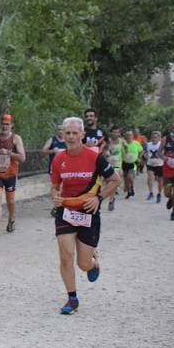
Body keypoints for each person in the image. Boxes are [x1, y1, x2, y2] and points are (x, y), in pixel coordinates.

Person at [50, 116, 120, 315]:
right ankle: (72, 299)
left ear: (82, 135)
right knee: (65, 256)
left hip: (89, 212)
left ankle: (92, 262)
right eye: (67, 133)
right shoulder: (59, 159)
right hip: (66, 211)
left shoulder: (94, 157)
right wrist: (55, 196)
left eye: (74, 133)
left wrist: (98, 198)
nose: (70, 136)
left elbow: (114, 180)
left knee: (82, 264)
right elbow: (54, 186)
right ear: (62, 135)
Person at [0, 113, 26, 235]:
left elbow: (22, 158)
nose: (4, 127)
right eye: (3, 124)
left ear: (11, 125)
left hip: (10, 174)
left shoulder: (16, 138)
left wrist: (8, 153)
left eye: (7, 124)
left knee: (10, 201)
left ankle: (11, 219)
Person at [103, 126, 124, 211]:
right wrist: (105, 153)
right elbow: (102, 150)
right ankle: (111, 198)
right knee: (107, 183)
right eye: (114, 132)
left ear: (119, 133)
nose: (116, 133)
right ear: (111, 132)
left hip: (117, 165)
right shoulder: (107, 141)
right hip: (107, 164)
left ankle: (111, 201)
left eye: (117, 132)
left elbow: (127, 149)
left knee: (113, 182)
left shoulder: (122, 141)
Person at [120, 129, 143, 199]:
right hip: (124, 163)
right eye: (127, 135)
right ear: (125, 136)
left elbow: (141, 151)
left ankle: (132, 188)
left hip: (133, 163)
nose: (129, 136)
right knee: (126, 179)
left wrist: (139, 157)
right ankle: (129, 192)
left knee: (130, 176)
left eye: (130, 135)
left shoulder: (136, 143)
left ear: (133, 136)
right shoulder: (122, 144)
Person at [143, 130, 164, 202]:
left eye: (156, 137)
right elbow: (145, 153)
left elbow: (166, 153)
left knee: (160, 180)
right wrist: (145, 156)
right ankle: (151, 192)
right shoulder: (148, 144)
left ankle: (159, 194)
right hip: (150, 164)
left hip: (160, 164)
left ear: (159, 138)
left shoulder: (162, 144)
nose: (154, 138)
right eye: (153, 137)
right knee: (150, 178)